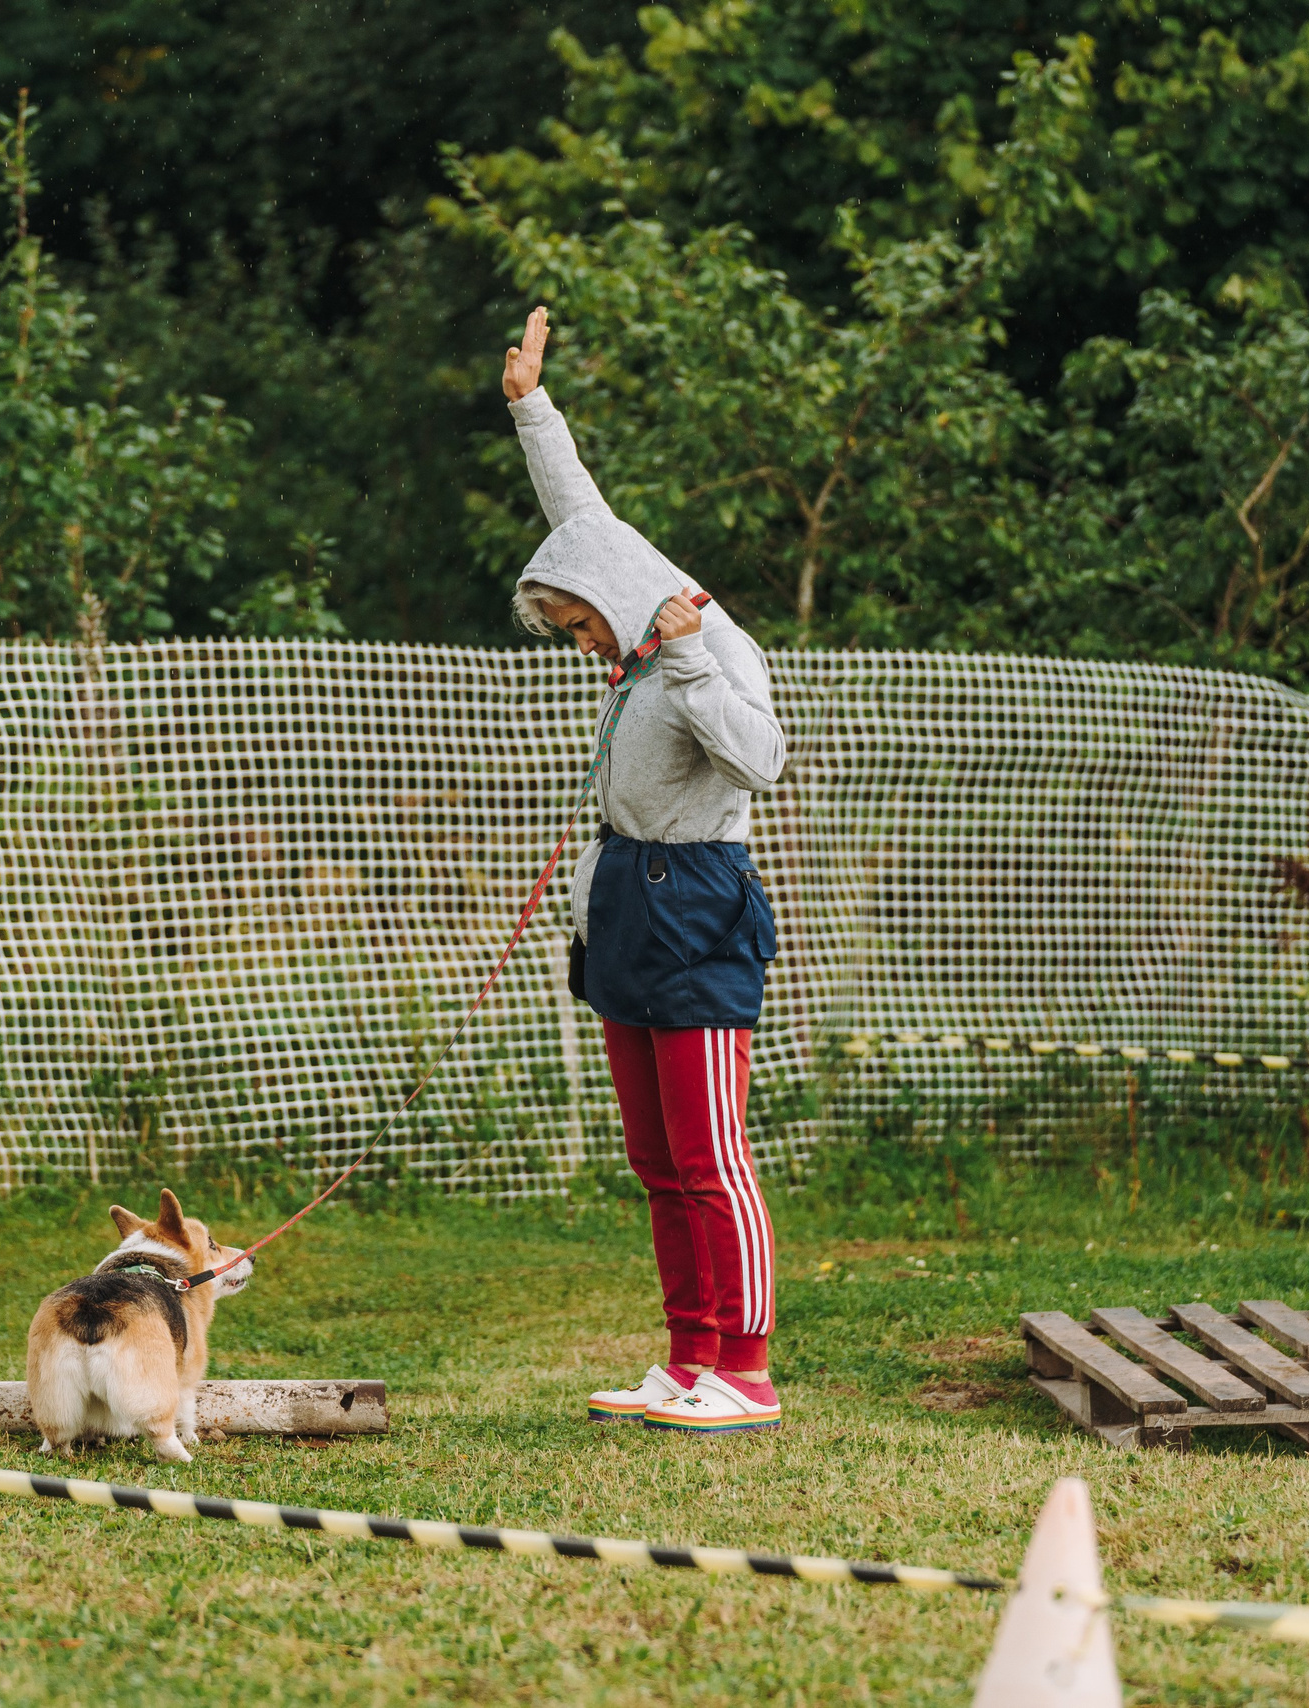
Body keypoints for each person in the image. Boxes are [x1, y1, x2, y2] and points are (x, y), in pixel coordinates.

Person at [501, 305, 790, 1435]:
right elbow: (577, 512)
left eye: (581, 629)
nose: (583, 646)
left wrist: (678, 661)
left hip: (701, 902)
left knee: (712, 1151)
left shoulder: (704, 645)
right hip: (623, 899)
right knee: (654, 1154)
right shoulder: (625, 581)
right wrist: (530, 405)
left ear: (619, 610)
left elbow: (760, 764)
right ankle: (687, 1358)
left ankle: (748, 1372)